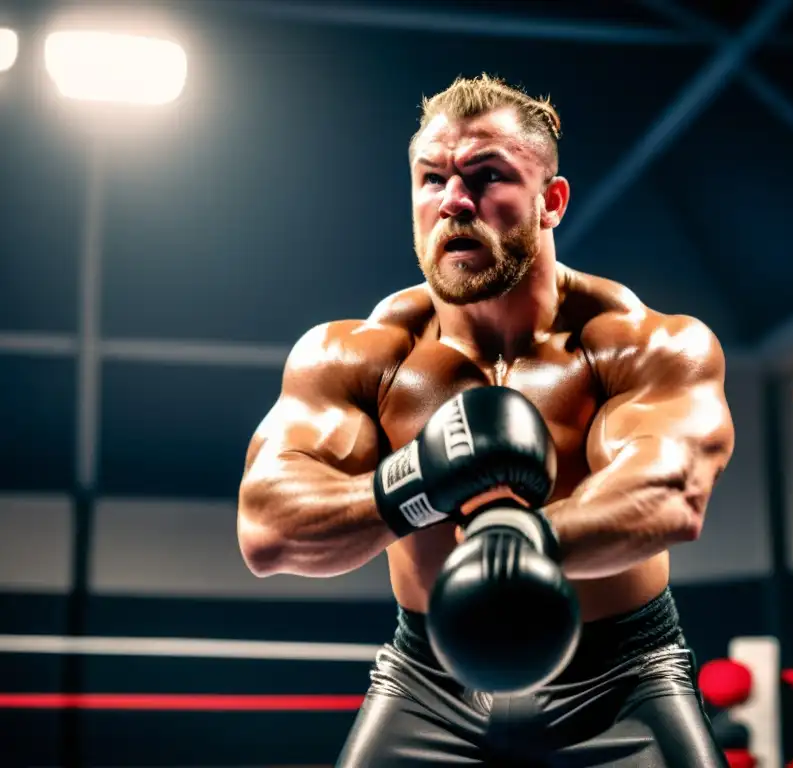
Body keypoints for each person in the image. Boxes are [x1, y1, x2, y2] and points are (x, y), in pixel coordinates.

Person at [237, 74, 736, 767]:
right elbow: (267, 527)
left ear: (550, 201)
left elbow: (671, 493)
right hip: (429, 683)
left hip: (621, 680)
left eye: (487, 176)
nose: (454, 202)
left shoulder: (640, 343)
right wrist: (418, 479)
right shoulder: (357, 354)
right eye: (432, 179)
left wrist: (524, 542)